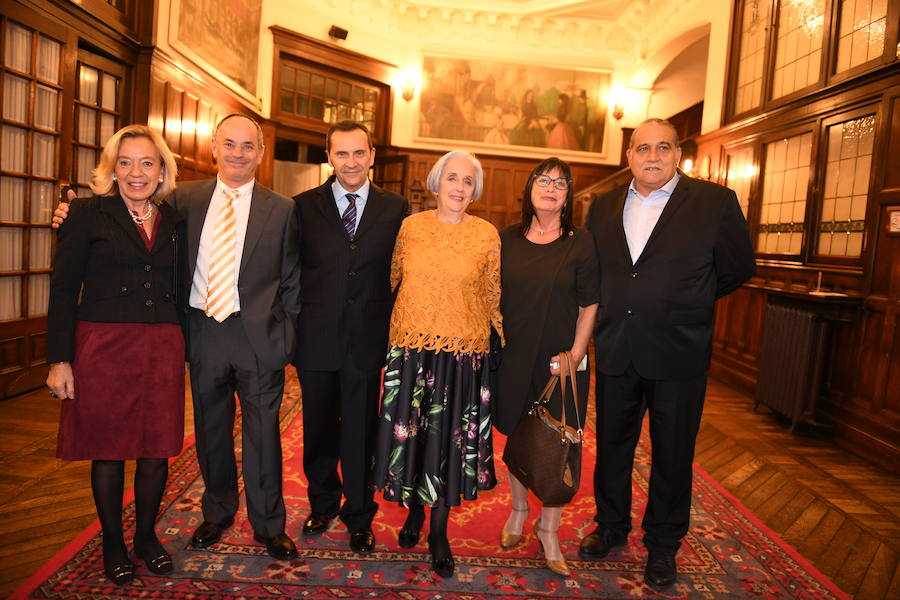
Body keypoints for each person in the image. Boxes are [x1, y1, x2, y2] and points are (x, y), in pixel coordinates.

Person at [53, 114, 302, 561]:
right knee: (210, 430)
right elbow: (121, 219)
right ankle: (218, 511)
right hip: (199, 332)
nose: (238, 154)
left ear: (261, 153)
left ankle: (269, 525)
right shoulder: (182, 200)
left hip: (258, 337)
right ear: (214, 147)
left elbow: (292, 280)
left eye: (248, 146)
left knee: (263, 434)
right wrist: (70, 209)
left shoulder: (283, 208)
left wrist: (285, 337)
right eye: (230, 144)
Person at [581, 118, 755, 588]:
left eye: (662, 147)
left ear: (678, 153)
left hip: (679, 350)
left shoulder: (714, 203)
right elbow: (594, 271)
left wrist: (686, 302)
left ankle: (662, 545)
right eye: (642, 148)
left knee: (673, 453)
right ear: (629, 156)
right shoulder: (601, 207)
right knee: (612, 447)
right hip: (617, 346)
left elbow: (738, 267)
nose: (652, 156)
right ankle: (611, 526)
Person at [47, 125, 183, 585]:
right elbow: (63, 290)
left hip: (162, 346)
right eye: (125, 163)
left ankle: (145, 536)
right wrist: (59, 360)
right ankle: (112, 541)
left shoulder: (174, 219)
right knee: (107, 450)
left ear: (162, 169)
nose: (136, 172)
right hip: (102, 346)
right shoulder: (85, 214)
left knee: (156, 449)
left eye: (147, 162)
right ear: (111, 169)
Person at [373, 150, 502, 578]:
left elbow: (493, 296)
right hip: (411, 351)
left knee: (447, 444)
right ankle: (413, 511)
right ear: (437, 182)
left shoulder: (487, 235)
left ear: (475, 190)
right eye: (452, 178)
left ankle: (439, 532)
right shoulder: (410, 228)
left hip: (463, 356)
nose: (459, 188)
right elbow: (391, 278)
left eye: (468, 181)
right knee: (414, 438)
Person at [292, 120, 407, 553]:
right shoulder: (302, 207)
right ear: (329, 157)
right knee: (318, 427)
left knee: (360, 430)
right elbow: (290, 271)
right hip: (316, 338)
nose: (351, 162)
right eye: (342, 153)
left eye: (359, 153)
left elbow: (402, 276)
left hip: (367, 340)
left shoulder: (396, 208)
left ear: (372, 155)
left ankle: (359, 514)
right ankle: (322, 503)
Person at [493, 157, 599, 577]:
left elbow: (590, 303)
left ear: (568, 195)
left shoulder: (581, 242)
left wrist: (574, 353)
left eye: (561, 182)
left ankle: (549, 530)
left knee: (558, 443)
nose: (551, 187)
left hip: (561, 363)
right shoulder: (506, 239)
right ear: (530, 189)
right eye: (543, 180)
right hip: (513, 356)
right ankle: (519, 510)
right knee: (519, 436)